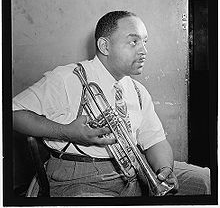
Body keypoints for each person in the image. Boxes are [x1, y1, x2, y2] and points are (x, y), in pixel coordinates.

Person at [13, 11, 210, 197]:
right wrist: (67, 131)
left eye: (145, 42)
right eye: (134, 42)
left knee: (205, 180)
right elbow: (13, 114)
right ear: (105, 46)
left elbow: (155, 141)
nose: (144, 50)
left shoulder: (137, 90)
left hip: (135, 170)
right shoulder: (67, 77)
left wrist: (164, 170)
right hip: (80, 176)